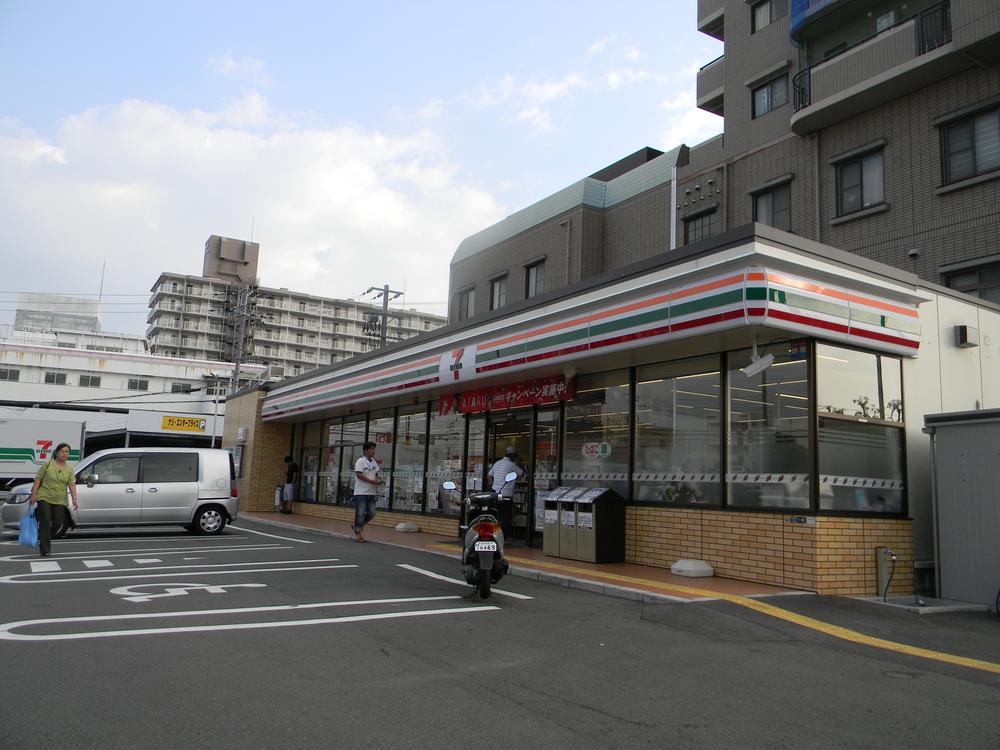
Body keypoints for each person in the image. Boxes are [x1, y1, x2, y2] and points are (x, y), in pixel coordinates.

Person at [28, 442, 78, 557]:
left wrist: (74, 499)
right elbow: (38, 480)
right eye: (62, 451)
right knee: (45, 520)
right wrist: (34, 495)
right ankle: (45, 549)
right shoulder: (48, 464)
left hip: (59, 499)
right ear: (57, 453)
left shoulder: (69, 469)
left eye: (67, 452)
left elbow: (72, 484)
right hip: (44, 496)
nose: (65, 454)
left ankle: (44, 536)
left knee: (58, 522)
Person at [487, 446, 524, 540]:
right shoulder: (512, 465)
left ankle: (494, 534)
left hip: (496, 494)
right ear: (513, 456)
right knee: (505, 517)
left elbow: (489, 476)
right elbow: (521, 473)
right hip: (506, 496)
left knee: (497, 516)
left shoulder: (497, 463)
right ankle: (503, 537)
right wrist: (518, 463)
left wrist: (493, 486)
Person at [352, 441, 383, 542]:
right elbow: (359, 475)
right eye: (371, 449)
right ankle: (358, 533)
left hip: (371, 492)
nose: (373, 451)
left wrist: (378, 480)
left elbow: (376, 474)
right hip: (361, 492)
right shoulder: (360, 461)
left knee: (372, 513)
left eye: (374, 449)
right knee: (360, 513)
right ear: (365, 450)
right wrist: (371, 481)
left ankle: (356, 525)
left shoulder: (374, 462)